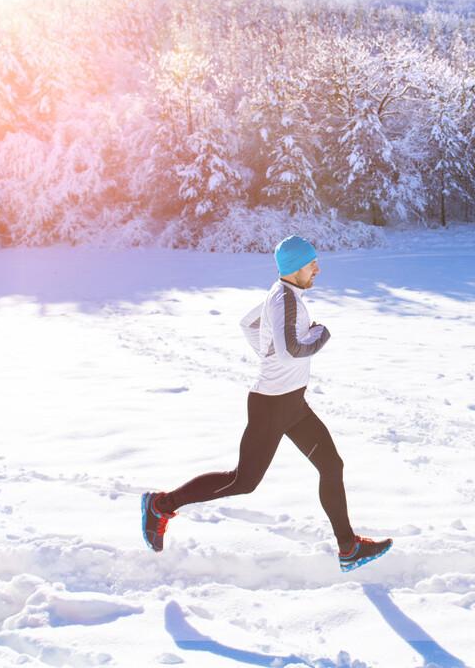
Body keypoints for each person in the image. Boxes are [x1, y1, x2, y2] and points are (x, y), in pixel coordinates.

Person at [141, 234, 392, 573]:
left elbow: (249, 325)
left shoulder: (283, 294)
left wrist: (268, 353)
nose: (318, 268)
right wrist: (319, 336)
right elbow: (291, 349)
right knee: (243, 481)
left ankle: (348, 548)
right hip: (272, 405)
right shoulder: (285, 300)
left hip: (293, 404)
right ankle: (160, 505)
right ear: (294, 267)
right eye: (311, 263)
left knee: (332, 466)